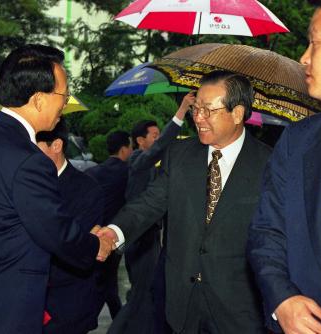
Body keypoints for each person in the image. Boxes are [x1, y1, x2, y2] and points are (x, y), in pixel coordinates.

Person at [0, 44, 114, 334]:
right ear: (39, 99)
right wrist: (95, 245)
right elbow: (55, 229)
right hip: (10, 303)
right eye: (62, 96)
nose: (64, 104)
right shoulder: (28, 159)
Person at [98, 70, 271, 333]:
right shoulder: (180, 155)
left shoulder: (270, 164)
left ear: (237, 113)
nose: (198, 118)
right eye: (196, 108)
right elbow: (149, 203)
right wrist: (114, 232)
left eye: (208, 110)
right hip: (181, 305)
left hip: (239, 310)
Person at [247, 1, 321, 333]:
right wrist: (282, 300)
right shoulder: (298, 140)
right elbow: (267, 230)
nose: (304, 57)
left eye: (316, 42)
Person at [110, 92, 194, 334]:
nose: (158, 140)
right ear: (140, 141)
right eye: (154, 136)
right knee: (141, 295)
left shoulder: (151, 167)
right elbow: (159, 149)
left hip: (149, 236)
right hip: (140, 238)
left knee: (147, 294)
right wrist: (180, 112)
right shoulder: (137, 161)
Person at [36, 118, 104, 334]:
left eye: (33, 148)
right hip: (29, 302)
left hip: (68, 307)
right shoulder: (25, 185)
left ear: (56, 145)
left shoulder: (87, 189)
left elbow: (76, 250)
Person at [86, 130, 132, 319]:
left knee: (102, 280)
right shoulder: (128, 172)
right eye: (130, 147)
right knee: (108, 282)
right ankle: (118, 320)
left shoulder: (92, 172)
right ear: (123, 150)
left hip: (93, 233)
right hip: (115, 235)